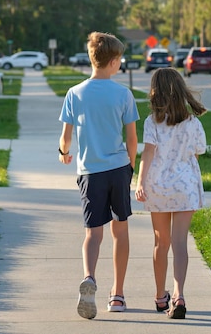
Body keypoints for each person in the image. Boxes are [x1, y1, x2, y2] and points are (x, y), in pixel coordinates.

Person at [58, 31, 139, 319]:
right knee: (120, 231)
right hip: (118, 170)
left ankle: (89, 278)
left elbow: (66, 138)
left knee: (93, 233)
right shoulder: (123, 94)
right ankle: (117, 295)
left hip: (90, 172)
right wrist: (130, 167)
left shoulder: (75, 93)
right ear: (114, 61)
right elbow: (132, 139)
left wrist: (63, 152)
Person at [134, 67, 207, 319]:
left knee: (160, 243)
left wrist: (140, 182)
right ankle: (179, 294)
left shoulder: (151, 122)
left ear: (156, 92)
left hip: (158, 187)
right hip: (185, 188)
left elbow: (148, 153)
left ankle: (159, 296)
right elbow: (197, 152)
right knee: (180, 244)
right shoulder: (193, 122)